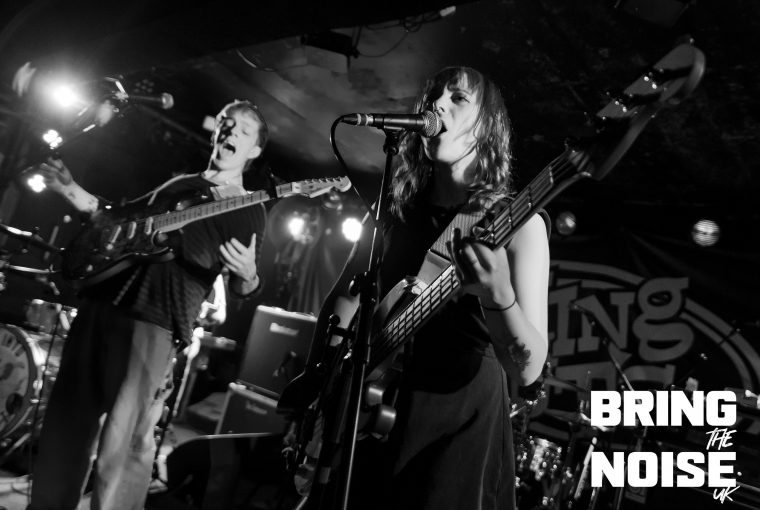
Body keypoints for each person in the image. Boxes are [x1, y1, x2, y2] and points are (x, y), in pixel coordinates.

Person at [305, 66, 550, 510]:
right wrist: (323, 385)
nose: (437, 104)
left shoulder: (519, 224)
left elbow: (529, 370)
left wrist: (498, 295)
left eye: (458, 98)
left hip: (456, 426)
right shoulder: (394, 206)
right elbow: (345, 295)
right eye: (433, 95)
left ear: (487, 127)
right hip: (368, 416)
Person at [28, 99, 269, 510]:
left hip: (156, 323)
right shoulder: (178, 185)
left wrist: (249, 275)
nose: (230, 132)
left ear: (255, 151)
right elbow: (120, 221)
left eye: (243, 131)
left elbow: (244, 289)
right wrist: (70, 188)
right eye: (226, 123)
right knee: (64, 429)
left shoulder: (250, 208)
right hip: (103, 304)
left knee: (123, 448)